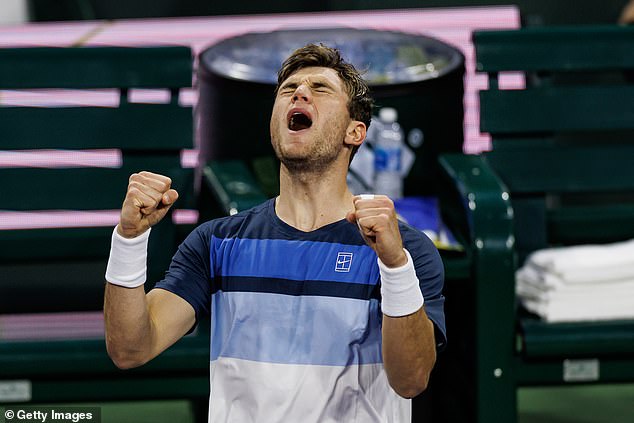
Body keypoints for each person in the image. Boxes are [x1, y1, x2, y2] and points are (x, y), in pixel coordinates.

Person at [104, 43, 445, 423]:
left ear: (355, 132)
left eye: (320, 89)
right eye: (289, 89)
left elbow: (412, 380)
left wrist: (396, 266)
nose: (300, 92)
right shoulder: (216, 243)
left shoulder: (405, 251)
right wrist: (129, 238)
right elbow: (130, 349)